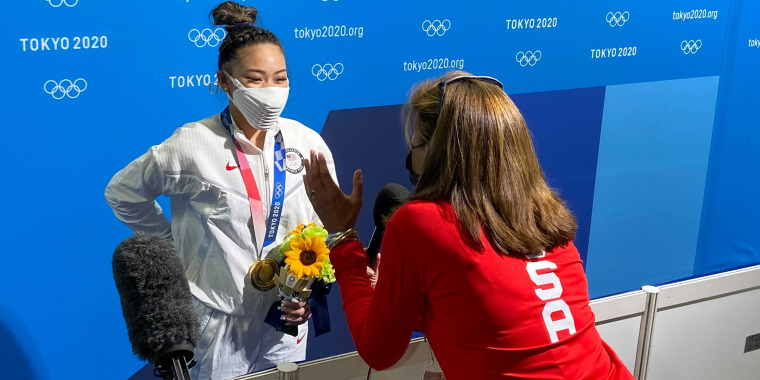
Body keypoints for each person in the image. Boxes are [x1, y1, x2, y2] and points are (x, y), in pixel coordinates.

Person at [303, 71, 635, 379]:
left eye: (415, 146)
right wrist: (394, 296)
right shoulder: (544, 213)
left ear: (437, 151)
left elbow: (379, 352)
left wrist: (342, 237)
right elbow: (496, 318)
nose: (411, 159)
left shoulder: (420, 221)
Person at [105, 2, 337, 379]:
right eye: (256, 78)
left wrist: (307, 294)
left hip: (285, 326)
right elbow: (123, 193)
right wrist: (168, 241)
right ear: (225, 83)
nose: (271, 91)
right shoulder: (192, 144)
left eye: (280, 78)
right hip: (217, 327)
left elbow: (321, 229)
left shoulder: (307, 142)